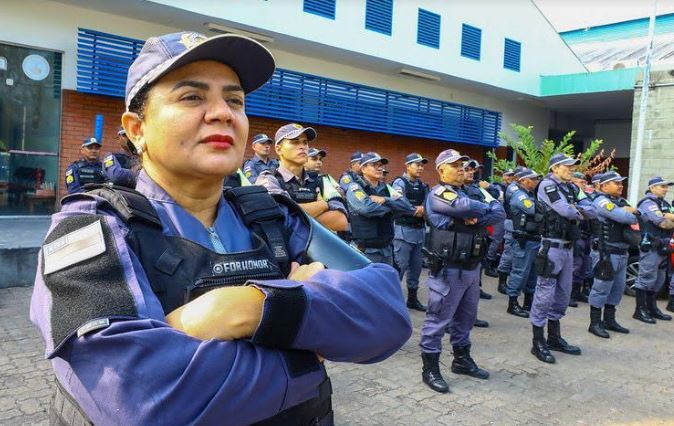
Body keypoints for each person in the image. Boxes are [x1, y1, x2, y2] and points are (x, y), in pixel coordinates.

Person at [31, 31, 412, 426]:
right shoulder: (95, 226)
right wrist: (308, 345)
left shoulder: (270, 216)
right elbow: (138, 395)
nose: (223, 113)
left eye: (234, 100)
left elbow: (386, 312)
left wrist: (248, 308)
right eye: (192, 97)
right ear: (137, 128)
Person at [420, 149, 505, 393]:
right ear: (441, 170)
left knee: (466, 318)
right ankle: (430, 369)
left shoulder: (467, 191)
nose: (460, 169)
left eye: (463, 165)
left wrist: (471, 216)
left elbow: (499, 211)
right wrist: (476, 210)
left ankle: (461, 360)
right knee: (437, 320)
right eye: (454, 165)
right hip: (448, 270)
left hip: (471, 269)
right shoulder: (439, 193)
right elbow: (466, 206)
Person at [530, 153, 597, 364]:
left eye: (571, 166)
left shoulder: (572, 187)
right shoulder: (547, 186)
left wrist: (577, 210)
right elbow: (564, 211)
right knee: (544, 294)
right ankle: (537, 341)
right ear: (554, 168)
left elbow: (593, 210)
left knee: (563, 294)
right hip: (551, 247)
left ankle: (554, 337)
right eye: (566, 166)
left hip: (568, 248)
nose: (570, 169)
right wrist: (579, 210)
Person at [256, 123, 348, 233]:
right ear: (278, 149)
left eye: (305, 142)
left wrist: (296, 216)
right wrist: (322, 205)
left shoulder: (320, 180)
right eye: (294, 142)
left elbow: (340, 221)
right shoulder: (268, 179)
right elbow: (281, 218)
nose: (302, 146)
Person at [587, 172, 637, 338]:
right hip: (605, 252)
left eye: (621, 182)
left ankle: (609, 320)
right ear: (604, 186)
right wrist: (629, 213)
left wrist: (630, 212)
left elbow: (637, 216)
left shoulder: (620, 201)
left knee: (617, 288)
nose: (620, 186)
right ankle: (594, 323)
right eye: (616, 183)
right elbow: (623, 216)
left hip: (622, 252)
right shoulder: (601, 201)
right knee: (601, 287)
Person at [345, 152, 414, 265]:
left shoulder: (387, 189)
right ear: (363, 169)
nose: (379, 168)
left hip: (386, 250)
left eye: (380, 165)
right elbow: (367, 209)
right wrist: (393, 207)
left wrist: (386, 200)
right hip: (365, 251)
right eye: (374, 165)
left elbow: (407, 207)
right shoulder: (355, 187)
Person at [392, 153, 430, 311]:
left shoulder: (423, 186)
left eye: (422, 165)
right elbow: (399, 202)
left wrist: (423, 210)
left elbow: (429, 204)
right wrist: (416, 210)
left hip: (419, 232)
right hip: (403, 232)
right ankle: (392, 302)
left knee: (416, 269)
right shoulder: (399, 183)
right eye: (417, 164)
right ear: (407, 166)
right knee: (399, 268)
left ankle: (412, 300)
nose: (420, 168)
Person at [633, 176, 674, 323]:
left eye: (666, 186)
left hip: (664, 247)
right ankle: (640, 310)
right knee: (646, 278)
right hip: (651, 246)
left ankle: (652, 308)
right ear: (652, 188)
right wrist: (669, 218)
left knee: (659, 279)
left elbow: (668, 220)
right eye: (662, 186)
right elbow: (662, 223)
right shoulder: (647, 203)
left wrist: (670, 217)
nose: (666, 189)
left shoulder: (664, 203)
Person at [506, 168, 542, 318]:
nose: (535, 181)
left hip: (534, 239)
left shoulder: (531, 194)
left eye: (536, 179)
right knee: (520, 272)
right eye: (532, 179)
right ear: (522, 180)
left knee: (533, 274)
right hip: (523, 240)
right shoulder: (519, 196)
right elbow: (534, 210)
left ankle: (528, 303)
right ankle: (512, 304)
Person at [497, 166, 525, 294]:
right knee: (509, 254)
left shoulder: (521, 187)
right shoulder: (513, 188)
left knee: (518, 254)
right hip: (512, 222)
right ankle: (502, 283)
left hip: (520, 223)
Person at [568, 172, 594, 307]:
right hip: (577, 234)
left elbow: (592, 211)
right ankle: (569, 294)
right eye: (581, 182)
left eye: (585, 182)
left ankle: (577, 292)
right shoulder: (570, 196)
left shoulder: (586, 197)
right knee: (575, 265)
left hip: (587, 235)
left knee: (584, 265)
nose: (584, 184)